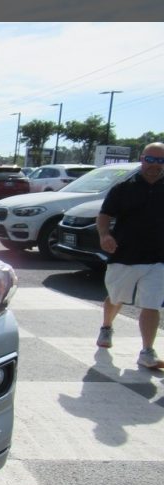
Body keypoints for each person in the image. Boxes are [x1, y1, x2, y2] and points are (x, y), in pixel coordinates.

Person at [95, 142, 164, 369]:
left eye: (160, 161)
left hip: (157, 257)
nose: (155, 165)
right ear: (142, 159)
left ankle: (147, 351)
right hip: (124, 254)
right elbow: (104, 215)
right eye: (150, 160)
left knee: (151, 304)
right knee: (116, 298)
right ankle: (107, 326)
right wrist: (105, 235)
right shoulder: (123, 188)